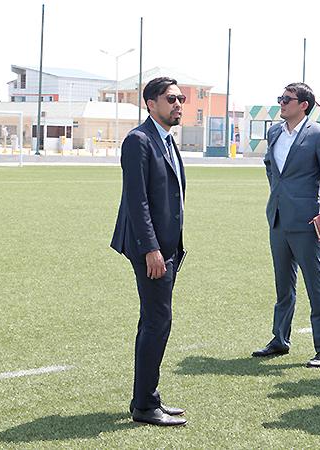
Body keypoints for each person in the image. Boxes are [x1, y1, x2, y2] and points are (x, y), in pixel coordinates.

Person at [111, 77, 188, 427]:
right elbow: (136, 200)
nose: (178, 104)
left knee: (154, 321)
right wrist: (151, 249)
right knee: (158, 321)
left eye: (181, 98)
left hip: (168, 246)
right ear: (151, 104)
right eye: (171, 99)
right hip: (152, 250)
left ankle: (146, 397)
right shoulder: (138, 140)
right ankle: (144, 405)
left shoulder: (167, 140)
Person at [253, 82, 320, 368]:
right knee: (283, 287)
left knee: (316, 287)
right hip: (278, 218)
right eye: (280, 98)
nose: (281, 103)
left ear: (303, 105)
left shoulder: (319, 135)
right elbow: (271, 167)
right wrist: (278, 195)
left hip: (307, 222)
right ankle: (280, 339)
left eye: (287, 99)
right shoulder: (274, 132)